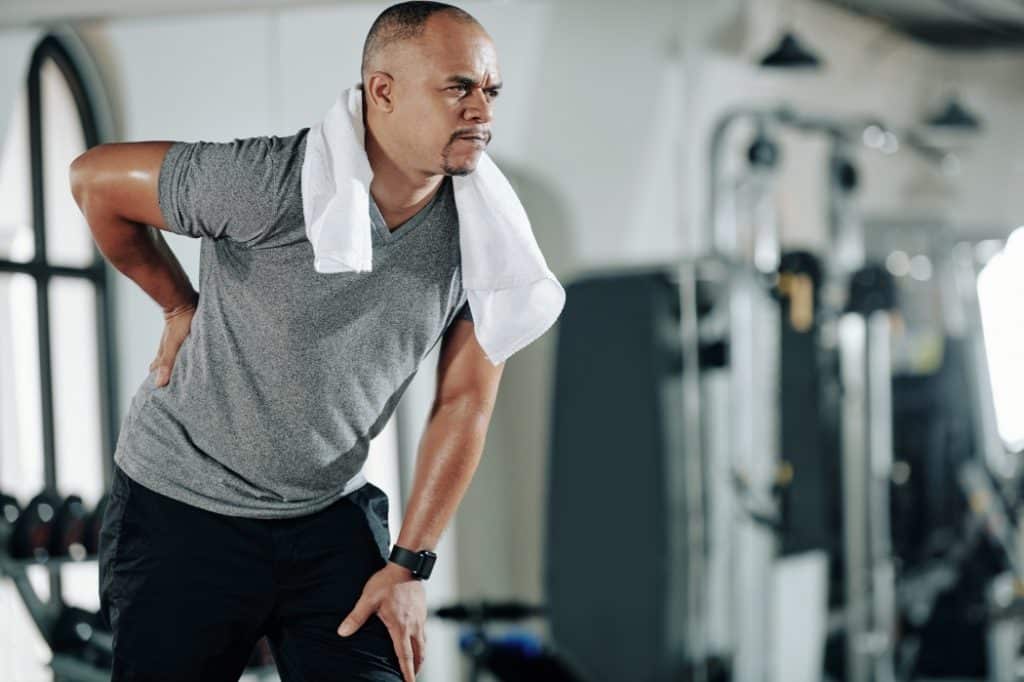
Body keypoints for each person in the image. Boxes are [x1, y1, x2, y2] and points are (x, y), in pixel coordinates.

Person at [68, 2, 513, 680]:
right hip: (183, 508)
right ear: (383, 91)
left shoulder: (486, 232)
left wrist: (408, 565)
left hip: (326, 512)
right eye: (459, 87)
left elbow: (465, 403)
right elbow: (94, 179)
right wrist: (177, 304)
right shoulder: (270, 182)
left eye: (491, 91)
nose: (481, 110)